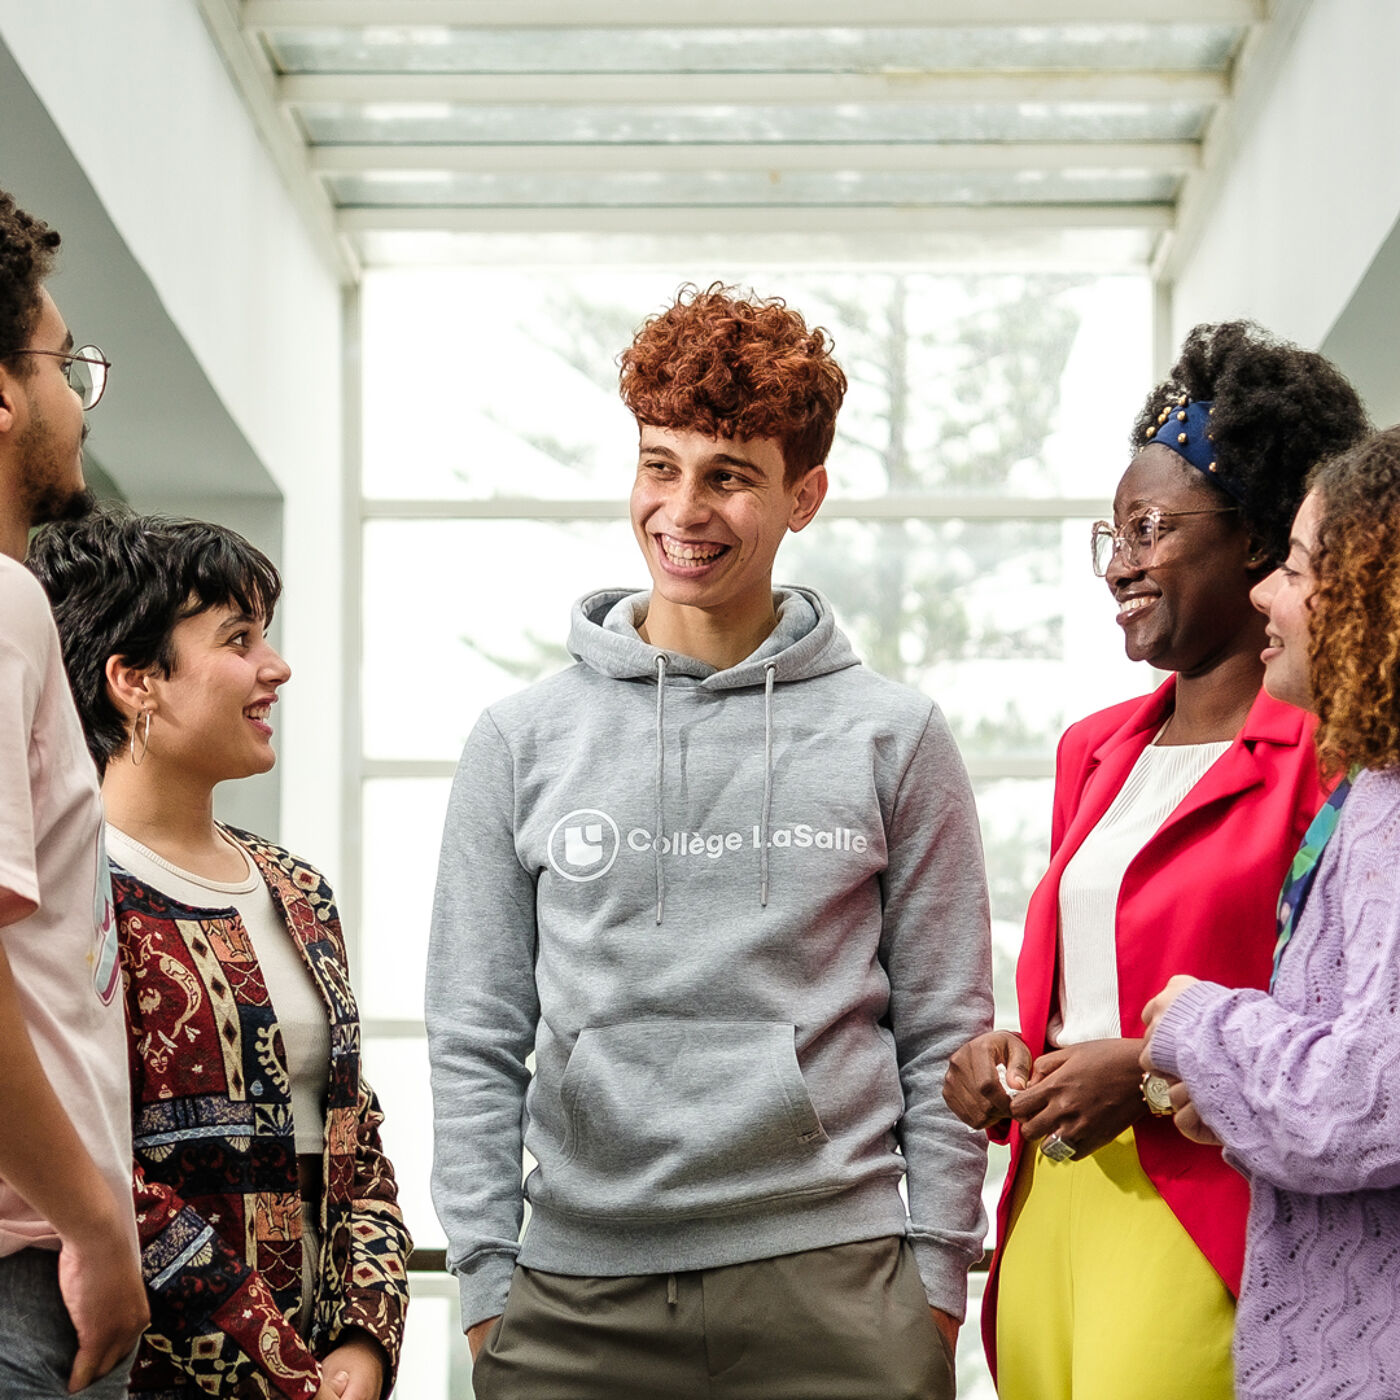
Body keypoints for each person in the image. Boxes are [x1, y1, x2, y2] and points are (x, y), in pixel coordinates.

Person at [427, 283, 993, 1400]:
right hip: (575, 1293)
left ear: (802, 495)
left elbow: (943, 1028)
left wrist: (933, 1276)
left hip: (835, 1285)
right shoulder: (519, 739)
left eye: (729, 474)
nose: (682, 507)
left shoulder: (893, 735)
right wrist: (488, 1284)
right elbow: (475, 1032)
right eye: (658, 463)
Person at [942, 321, 1369, 1399]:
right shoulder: (1093, 750)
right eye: (1113, 531)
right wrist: (1010, 1054)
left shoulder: (1330, 759)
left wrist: (1139, 1066)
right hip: (1049, 1207)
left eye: (1150, 527)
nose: (1119, 561)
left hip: (1203, 1212)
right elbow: (1086, 981)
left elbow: (1342, 1033)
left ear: (1261, 542)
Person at [27, 508, 411, 1400]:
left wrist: (364, 1344)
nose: (274, 667)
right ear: (134, 679)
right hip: (144, 1375)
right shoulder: (70, 894)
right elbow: (93, 1161)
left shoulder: (296, 888)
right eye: (237, 639)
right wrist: (281, 1374)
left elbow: (356, 1135)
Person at [1142, 426, 1400, 1398]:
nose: (1263, 592)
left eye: (1292, 566)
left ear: (1373, 591)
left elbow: (1369, 1097)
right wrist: (1236, 1089)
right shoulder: (1369, 784)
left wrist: (1199, 1025)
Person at [0, 187, 148, 1397]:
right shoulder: (3, 605)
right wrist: (96, 1227)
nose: (75, 400)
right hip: (18, 1262)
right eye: (61, 364)